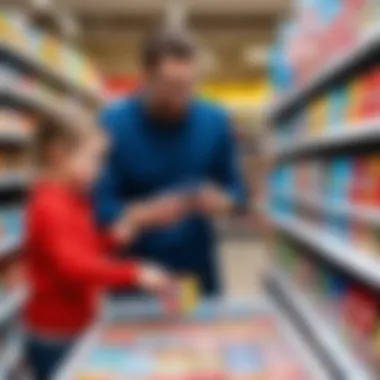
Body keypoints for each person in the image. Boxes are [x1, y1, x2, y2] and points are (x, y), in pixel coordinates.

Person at [95, 29, 246, 295]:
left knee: (196, 334)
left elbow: (236, 191)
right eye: (171, 86)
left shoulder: (214, 120)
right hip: (135, 275)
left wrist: (224, 201)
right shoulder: (112, 125)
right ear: (146, 76)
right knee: (138, 333)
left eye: (188, 85)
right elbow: (99, 206)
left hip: (195, 268)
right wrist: (139, 214)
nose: (181, 97)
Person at [22, 112, 172, 380]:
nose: (100, 169)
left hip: (77, 324)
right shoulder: (49, 204)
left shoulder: (74, 199)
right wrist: (134, 273)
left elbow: (82, 251)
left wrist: (112, 238)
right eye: (93, 158)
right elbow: (72, 266)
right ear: (58, 155)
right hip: (56, 334)